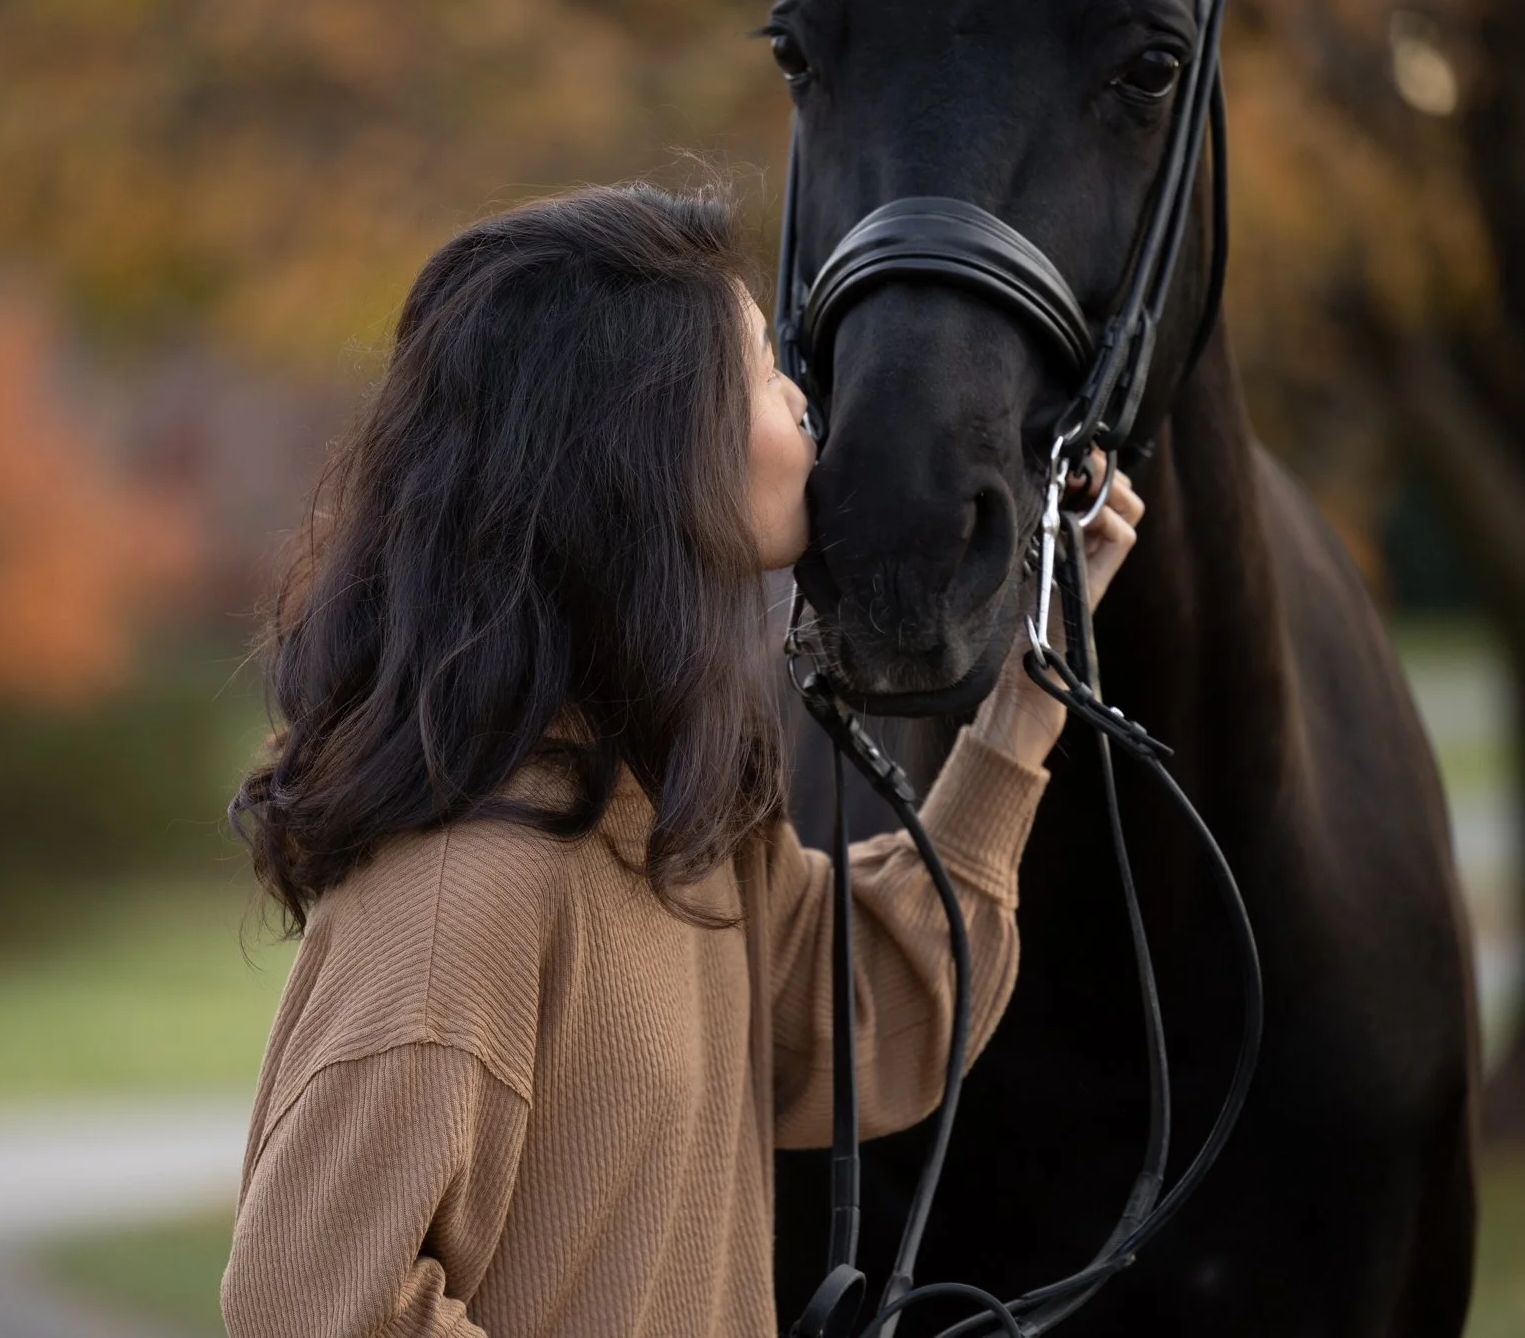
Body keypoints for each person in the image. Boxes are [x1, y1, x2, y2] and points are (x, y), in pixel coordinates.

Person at [221, 184, 1143, 1338]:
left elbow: (868, 1012)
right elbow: (311, 1306)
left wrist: (1028, 686)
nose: (804, 401)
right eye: (762, 369)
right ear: (641, 442)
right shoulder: (468, 880)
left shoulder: (664, 816)